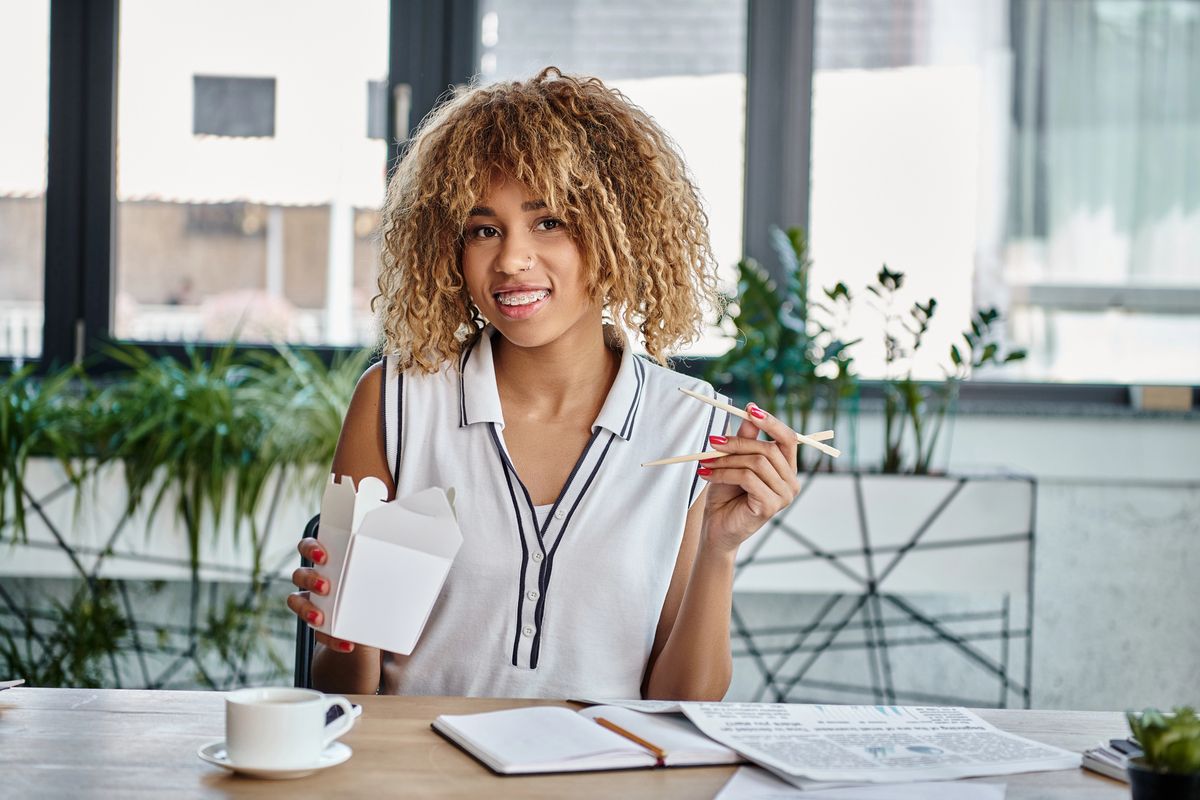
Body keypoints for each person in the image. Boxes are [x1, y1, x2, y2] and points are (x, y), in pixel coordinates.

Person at [286, 68, 802, 700]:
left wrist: (719, 552)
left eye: (548, 222)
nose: (511, 259)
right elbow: (343, 694)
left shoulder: (696, 431)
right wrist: (342, 630)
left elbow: (682, 709)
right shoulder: (393, 401)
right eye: (483, 229)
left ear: (620, 236)